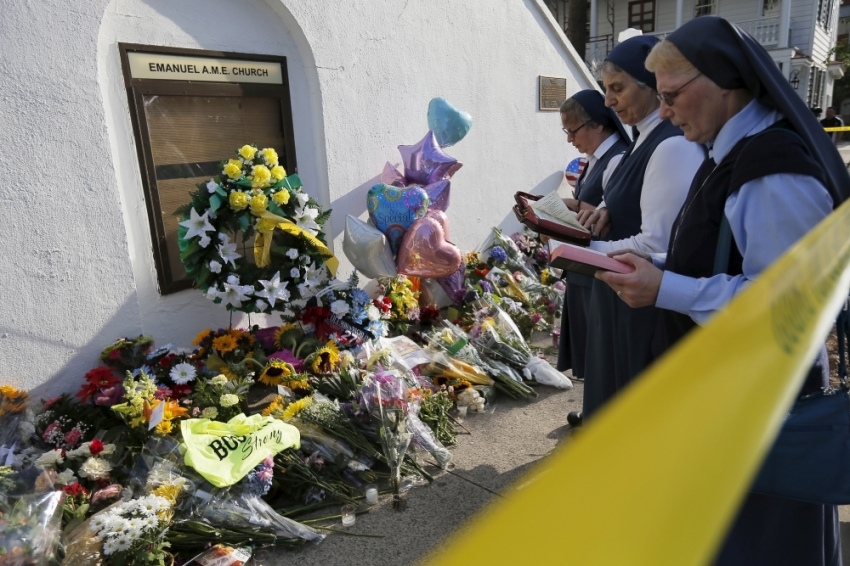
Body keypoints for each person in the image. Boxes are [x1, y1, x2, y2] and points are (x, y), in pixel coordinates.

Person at [597, 16, 849, 565]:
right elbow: (717, 257)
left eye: (671, 96)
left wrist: (665, 288)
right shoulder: (733, 151)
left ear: (721, 80)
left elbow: (786, 307)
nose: (663, 111)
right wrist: (651, 261)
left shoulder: (772, 168)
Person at [574, 35, 705, 424]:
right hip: (620, 290)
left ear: (651, 86)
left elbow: (658, 242)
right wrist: (604, 209)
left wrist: (581, 250)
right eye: (606, 90)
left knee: (632, 405)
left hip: (639, 300)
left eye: (618, 88)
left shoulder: (671, 146)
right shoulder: (644, 140)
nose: (609, 101)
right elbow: (627, 197)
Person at [555, 90, 630, 388]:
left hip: (600, 263)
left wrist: (570, 209)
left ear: (598, 124)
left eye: (572, 130)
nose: (570, 139)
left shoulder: (619, 157)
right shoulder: (594, 158)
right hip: (584, 264)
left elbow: (612, 214)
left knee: (603, 349)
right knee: (591, 348)